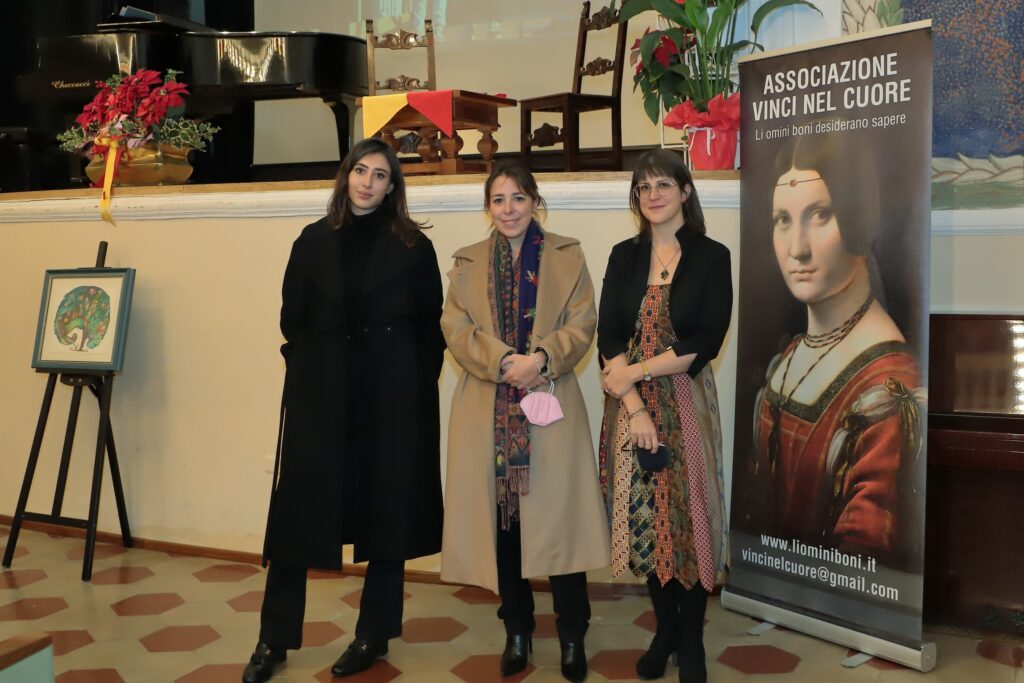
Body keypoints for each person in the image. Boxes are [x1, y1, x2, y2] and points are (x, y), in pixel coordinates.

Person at [242, 139, 445, 683]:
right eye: (360, 170)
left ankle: (373, 633)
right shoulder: (311, 241)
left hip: (391, 397)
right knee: (298, 513)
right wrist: (312, 368)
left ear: (392, 187)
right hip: (323, 395)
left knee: (387, 511)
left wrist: (412, 382)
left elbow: (431, 326)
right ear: (345, 175)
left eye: (380, 175)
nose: (367, 182)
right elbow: (291, 319)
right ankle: (273, 638)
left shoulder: (413, 246)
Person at [440, 161, 610, 683]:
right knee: (505, 528)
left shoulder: (567, 255)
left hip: (549, 405)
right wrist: (502, 362)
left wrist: (539, 359)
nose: (509, 209)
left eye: (518, 198)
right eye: (498, 200)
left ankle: (573, 633)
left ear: (535, 201)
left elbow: (583, 323)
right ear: (487, 207)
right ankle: (517, 630)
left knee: (560, 525)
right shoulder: (467, 262)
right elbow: (455, 328)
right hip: (486, 410)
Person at [744, 135, 925, 567]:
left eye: (820, 214)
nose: (797, 248)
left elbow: (868, 554)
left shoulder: (889, 388)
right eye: (783, 219)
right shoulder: (788, 358)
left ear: (858, 214)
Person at [597, 149, 731, 683]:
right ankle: (666, 631)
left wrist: (637, 371)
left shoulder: (712, 256)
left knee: (688, 520)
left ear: (685, 192)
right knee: (645, 521)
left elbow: (707, 339)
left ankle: (691, 638)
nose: (653, 195)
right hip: (630, 408)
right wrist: (633, 406)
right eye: (644, 187)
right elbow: (609, 335)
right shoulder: (623, 256)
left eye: (663, 185)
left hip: (685, 400)